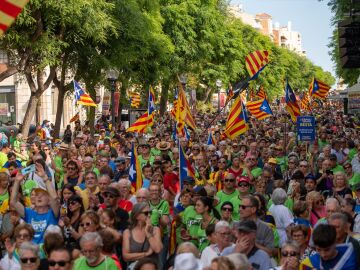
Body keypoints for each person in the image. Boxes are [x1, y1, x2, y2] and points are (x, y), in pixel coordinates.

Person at [10, 163, 59, 244]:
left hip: (47, 252)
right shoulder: (29, 212)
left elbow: (54, 198)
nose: (38, 197)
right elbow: (13, 202)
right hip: (32, 251)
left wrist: (45, 178)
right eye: (36, 196)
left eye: (42, 195)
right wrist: (17, 181)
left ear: (48, 200)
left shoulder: (53, 213)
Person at [122, 203, 163, 269]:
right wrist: (146, 254)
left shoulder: (155, 229)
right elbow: (125, 257)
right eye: (146, 213)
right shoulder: (127, 232)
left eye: (150, 212)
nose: (149, 215)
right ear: (137, 216)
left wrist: (148, 233)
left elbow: (157, 249)